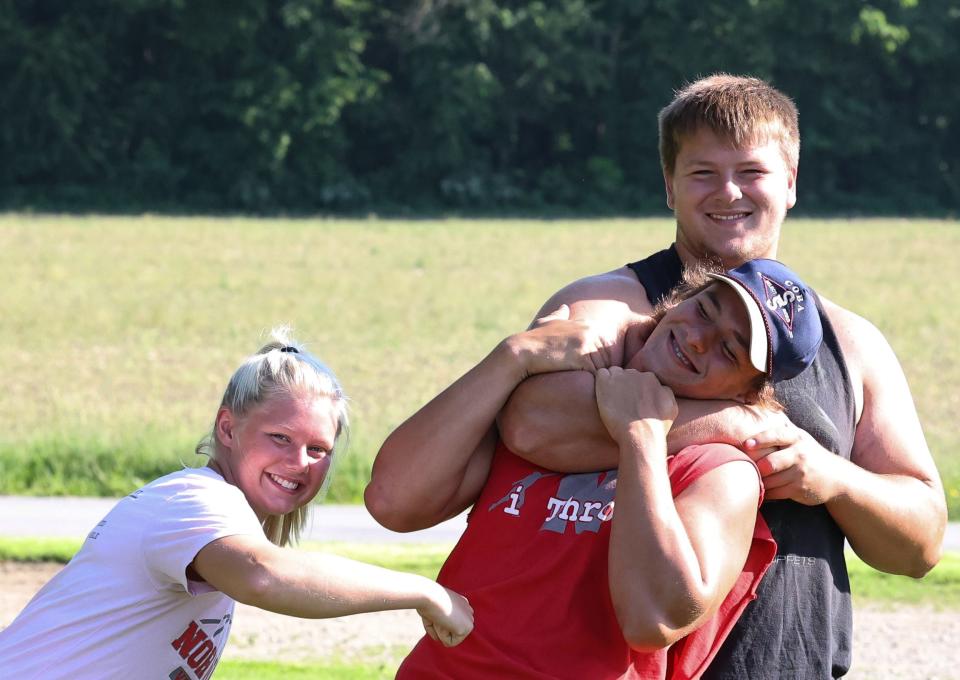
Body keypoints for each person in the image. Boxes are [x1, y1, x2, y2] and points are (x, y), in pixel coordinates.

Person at [482, 74, 946, 677]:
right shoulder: (609, 303)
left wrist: (829, 476)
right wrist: (739, 424)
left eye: (751, 171)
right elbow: (531, 422)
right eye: (702, 172)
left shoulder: (851, 342)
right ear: (669, 186)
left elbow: (921, 543)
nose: (728, 191)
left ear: (791, 184)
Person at [368, 257, 822, 678]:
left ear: (748, 392)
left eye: (729, 349)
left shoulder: (722, 471)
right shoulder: (550, 398)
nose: (699, 338)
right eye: (704, 310)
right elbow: (393, 500)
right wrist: (512, 356)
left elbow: (653, 620)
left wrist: (642, 435)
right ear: (681, 300)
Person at [0, 328, 473, 679]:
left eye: (318, 449)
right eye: (280, 437)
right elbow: (264, 576)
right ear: (227, 428)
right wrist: (425, 592)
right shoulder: (194, 501)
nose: (299, 462)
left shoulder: (218, 515)